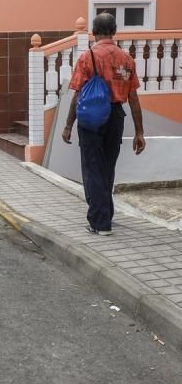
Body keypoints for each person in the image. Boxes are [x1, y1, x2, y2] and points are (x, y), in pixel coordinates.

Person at [62, 12, 145, 235]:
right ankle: (105, 213)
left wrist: (69, 124)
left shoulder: (87, 57)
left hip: (91, 117)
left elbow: (78, 95)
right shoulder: (127, 59)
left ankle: (100, 223)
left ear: (94, 32)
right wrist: (139, 132)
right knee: (107, 167)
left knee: (92, 168)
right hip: (116, 117)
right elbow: (134, 98)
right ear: (114, 31)